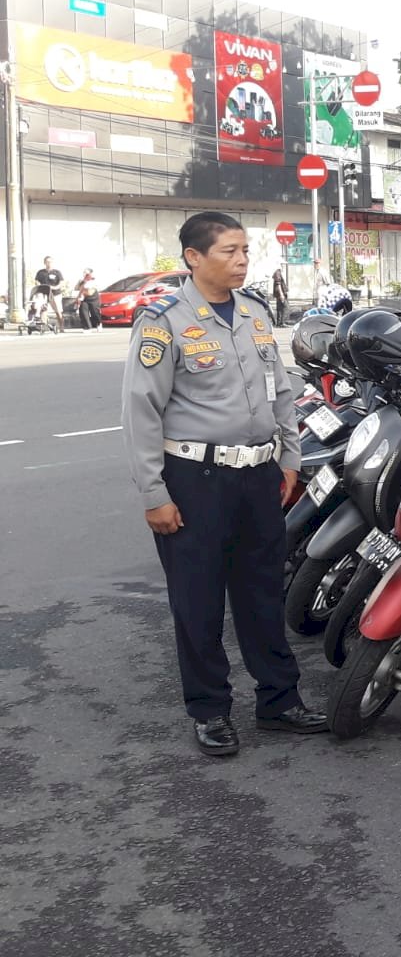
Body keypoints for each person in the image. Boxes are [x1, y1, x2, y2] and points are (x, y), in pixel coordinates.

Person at [121, 211, 327, 755]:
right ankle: (210, 710)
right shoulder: (163, 322)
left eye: (245, 251)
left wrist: (289, 458)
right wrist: (153, 493)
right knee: (199, 601)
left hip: (259, 476)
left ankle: (279, 700)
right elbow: (141, 412)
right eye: (229, 251)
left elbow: (280, 392)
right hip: (195, 480)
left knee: (263, 593)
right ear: (194, 257)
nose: (241, 261)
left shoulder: (255, 313)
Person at [32, 256, 64, 330]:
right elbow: (36, 281)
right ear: (44, 263)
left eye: (50, 262)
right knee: (43, 308)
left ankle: (61, 327)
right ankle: (43, 326)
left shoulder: (57, 272)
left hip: (55, 293)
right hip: (44, 293)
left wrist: (54, 287)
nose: (49, 263)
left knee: (58, 310)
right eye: (47, 262)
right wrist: (39, 286)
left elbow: (61, 283)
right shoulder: (40, 272)